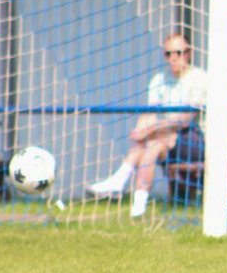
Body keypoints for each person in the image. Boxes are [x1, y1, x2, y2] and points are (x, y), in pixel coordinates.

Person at [89, 33, 207, 217]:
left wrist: (150, 129)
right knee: (152, 144)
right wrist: (140, 130)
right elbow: (148, 112)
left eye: (178, 52)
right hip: (165, 138)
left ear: (188, 53)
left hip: (196, 140)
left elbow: (184, 119)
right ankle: (137, 207)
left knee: (156, 136)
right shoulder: (159, 79)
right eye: (168, 54)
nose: (173, 58)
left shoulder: (199, 78)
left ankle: (120, 179)